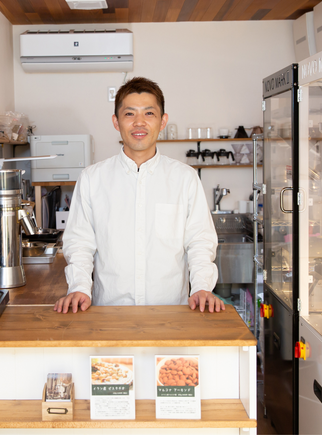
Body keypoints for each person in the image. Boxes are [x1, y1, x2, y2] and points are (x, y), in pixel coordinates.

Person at [54, 77, 224, 314]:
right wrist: (79, 287)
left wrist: (202, 287)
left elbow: (200, 242)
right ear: (116, 122)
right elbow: (80, 243)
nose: (139, 123)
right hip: (109, 314)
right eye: (129, 114)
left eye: (149, 113)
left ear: (163, 121)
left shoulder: (185, 178)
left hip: (172, 314)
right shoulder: (92, 179)